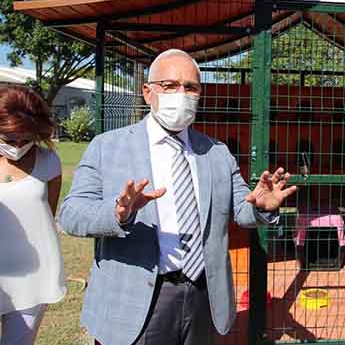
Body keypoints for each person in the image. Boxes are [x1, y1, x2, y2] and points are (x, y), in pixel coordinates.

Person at [59, 49, 297, 345]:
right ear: (148, 92)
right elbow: (71, 214)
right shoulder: (107, 146)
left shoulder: (216, 152)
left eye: (191, 87)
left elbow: (241, 209)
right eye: (169, 86)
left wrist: (261, 207)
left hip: (202, 295)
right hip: (137, 299)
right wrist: (118, 213)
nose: (181, 94)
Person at [0, 85, 66, 345]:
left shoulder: (49, 161)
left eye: (26, 139)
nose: (18, 146)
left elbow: (47, 214)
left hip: (34, 279)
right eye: (9, 139)